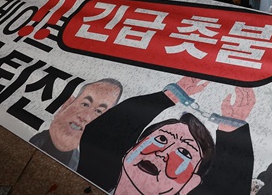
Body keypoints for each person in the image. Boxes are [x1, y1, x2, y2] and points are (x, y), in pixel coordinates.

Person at [77, 77, 255, 194]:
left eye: (184, 153)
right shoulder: (88, 178)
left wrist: (232, 131)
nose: (162, 153)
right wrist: (169, 96)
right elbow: (100, 133)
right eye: (161, 139)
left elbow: (230, 187)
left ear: (191, 184)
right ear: (132, 148)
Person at [29, 78, 122, 171]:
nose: (85, 117)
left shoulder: (79, 166)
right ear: (66, 105)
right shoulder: (32, 135)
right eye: (85, 104)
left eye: (98, 111)